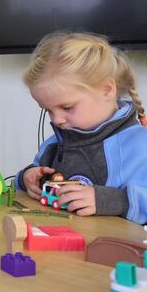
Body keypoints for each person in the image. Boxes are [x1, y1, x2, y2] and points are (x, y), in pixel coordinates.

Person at [16, 31, 147, 222]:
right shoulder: (54, 144)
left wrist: (109, 200)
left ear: (107, 90)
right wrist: (27, 178)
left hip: (118, 249)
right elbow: (36, 177)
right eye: (48, 110)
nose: (56, 120)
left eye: (67, 107)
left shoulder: (140, 146)